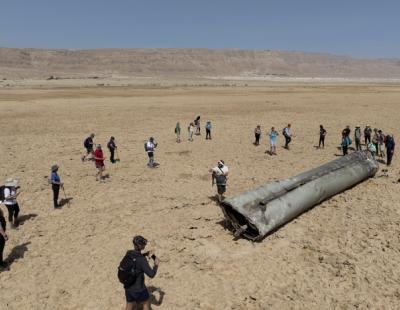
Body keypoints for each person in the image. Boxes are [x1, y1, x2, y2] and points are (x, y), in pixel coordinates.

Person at [122, 235, 160, 310]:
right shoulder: (142, 260)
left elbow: (136, 258)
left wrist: (145, 254)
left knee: (129, 304)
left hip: (128, 287)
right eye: (144, 244)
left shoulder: (128, 254)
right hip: (139, 289)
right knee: (146, 303)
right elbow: (151, 274)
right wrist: (156, 265)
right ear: (141, 246)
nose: (145, 246)